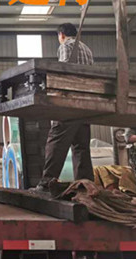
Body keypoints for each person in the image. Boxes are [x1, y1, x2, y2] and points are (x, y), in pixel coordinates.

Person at [34, 23, 95, 191]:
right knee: (81, 147)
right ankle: (85, 185)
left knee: (56, 141)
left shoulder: (66, 46)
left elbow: (63, 71)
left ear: (61, 35)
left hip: (69, 103)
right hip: (86, 103)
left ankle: (47, 183)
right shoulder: (87, 49)